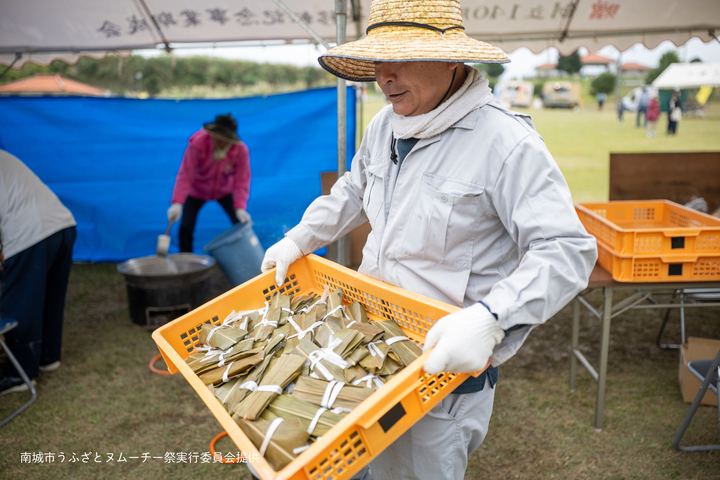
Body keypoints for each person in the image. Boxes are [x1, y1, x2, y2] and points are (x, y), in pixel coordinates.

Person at [260, 1, 597, 479]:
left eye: (401, 57)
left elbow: (567, 250)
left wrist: (490, 319)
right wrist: (299, 239)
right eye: (378, 60)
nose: (384, 76)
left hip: (443, 370)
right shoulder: (385, 124)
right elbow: (354, 189)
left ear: (451, 60)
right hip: (368, 342)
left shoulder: (505, 141)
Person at [0, 150, 77, 394]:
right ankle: (47, 356)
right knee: (49, 297)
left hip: (28, 233)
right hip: (61, 224)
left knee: (19, 304)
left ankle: (18, 375)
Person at [168, 114, 251, 253]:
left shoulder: (240, 150)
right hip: (197, 190)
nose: (219, 140)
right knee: (185, 227)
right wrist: (177, 203)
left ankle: (247, 257)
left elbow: (242, 180)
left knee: (240, 223)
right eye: (216, 135)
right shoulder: (197, 144)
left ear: (230, 139)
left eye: (223, 138)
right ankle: (186, 262)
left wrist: (240, 206)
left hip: (225, 190)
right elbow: (185, 175)